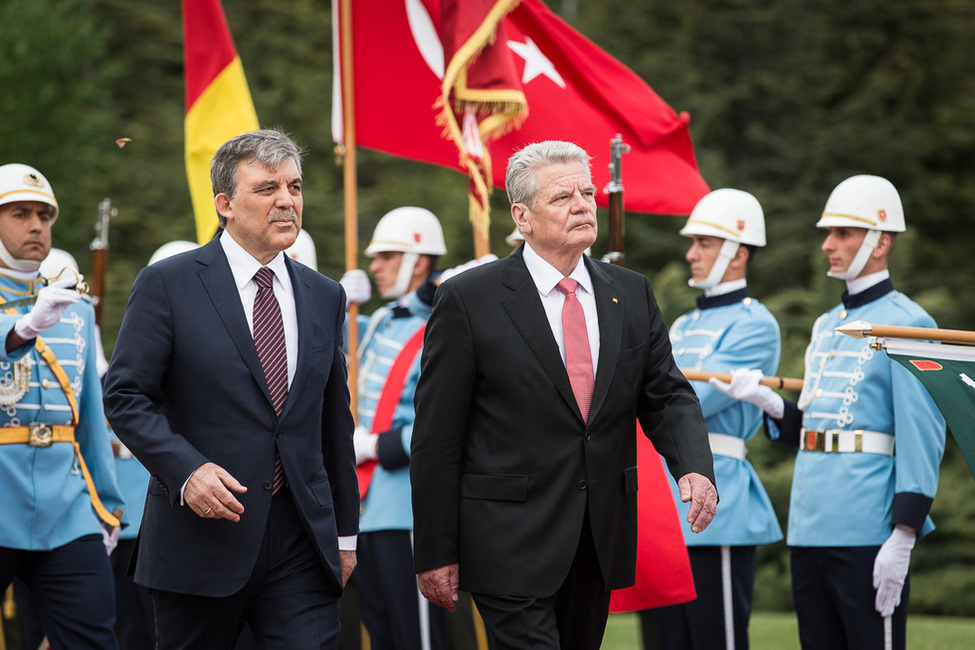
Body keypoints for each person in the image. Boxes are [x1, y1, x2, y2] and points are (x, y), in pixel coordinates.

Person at [410, 140, 718, 650]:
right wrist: (435, 549)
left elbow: (666, 394)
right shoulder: (469, 299)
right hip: (506, 540)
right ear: (522, 216)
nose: (581, 205)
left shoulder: (631, 292)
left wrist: (693, 465)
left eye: (587, 192)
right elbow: (437, 436)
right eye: (562, 197)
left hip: (598, 538)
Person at [103, 129, 359, 649]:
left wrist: (346, 535)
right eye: (267, 189)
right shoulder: (168, 283)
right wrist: (186, 470)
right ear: (225, 204)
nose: (286, 200)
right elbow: (126, 397)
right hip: (200, 539)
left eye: (294, 186)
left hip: (302, 543)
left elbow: (334, 422)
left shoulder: (324, 295)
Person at [711, 175, 945, 650]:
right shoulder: (825, 325)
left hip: (869, 523)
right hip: (810, 520)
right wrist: (771, 403)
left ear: (881, 243)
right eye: (829, 233)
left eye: (843, 233)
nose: (827, 245)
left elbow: (923, 433)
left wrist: (905, 532)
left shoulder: (911, 322)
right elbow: (818, 426)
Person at [0, 163, 127, 649]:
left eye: (44, 215)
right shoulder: (45, 314)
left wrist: (108, 506)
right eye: (20, 213)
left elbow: (90, 418)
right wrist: (24, 327)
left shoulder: (72, 309)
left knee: (94, 638)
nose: (36, 225)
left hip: (66, 509)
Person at [653, 189, 783, 649]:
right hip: (663, 502)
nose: (691, 254)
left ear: (738, 253)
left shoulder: (755, 323)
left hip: (718, 491)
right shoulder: (683, 324)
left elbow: (692, 401)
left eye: (704, 243)